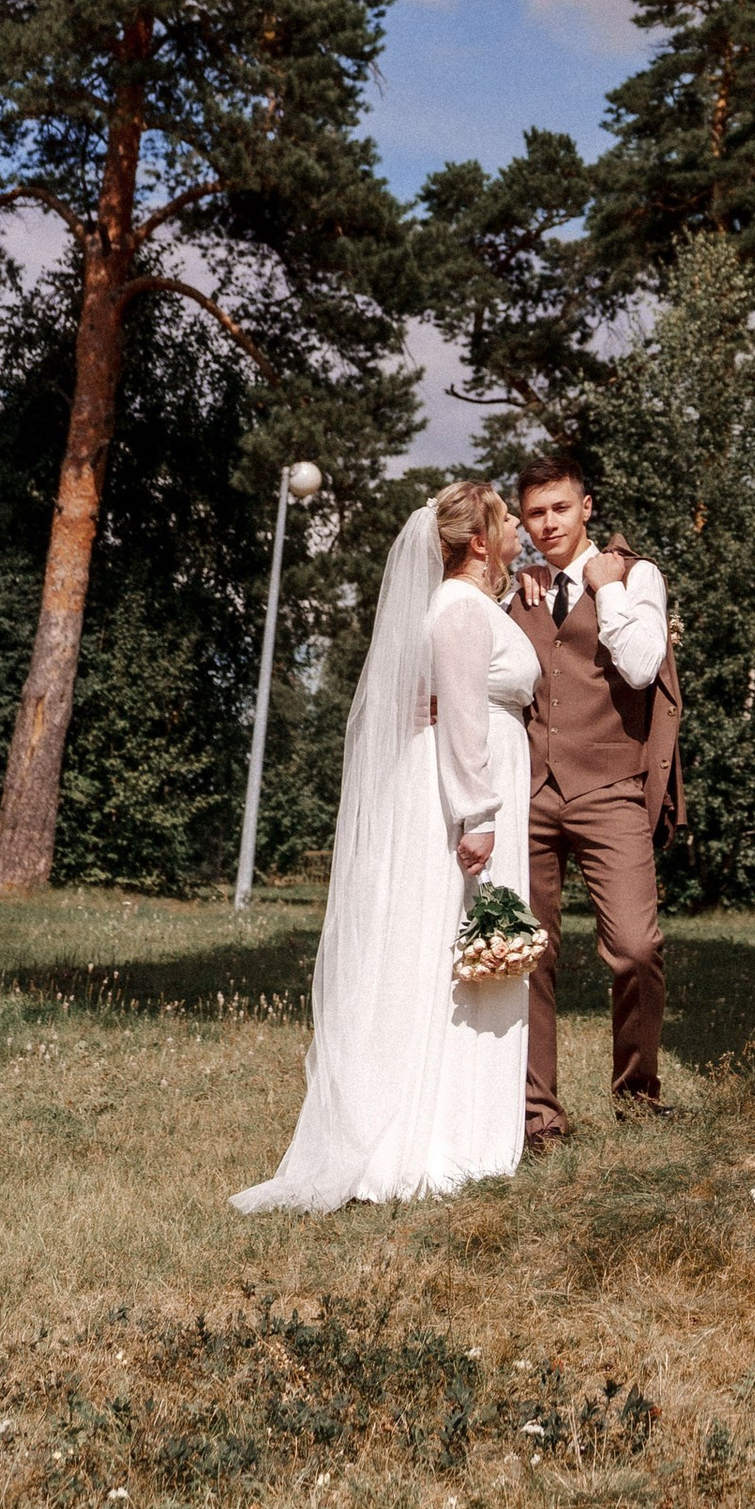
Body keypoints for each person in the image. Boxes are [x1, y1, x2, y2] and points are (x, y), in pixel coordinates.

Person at [233, 478, 540, 1212]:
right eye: (506, 520)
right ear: (477, 540)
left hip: (477, 783)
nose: (518, 530)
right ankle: (439, 1136)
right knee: (455, 951)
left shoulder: (472, 606)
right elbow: (463, 719)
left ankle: (458, 1121)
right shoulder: (460, 609)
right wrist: (478, 816)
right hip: (467, 794)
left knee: (462, 951)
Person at [513, 457, 683, 1141]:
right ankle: (537, 1118)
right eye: (534, 514)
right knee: (527, 954)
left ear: (587, 507)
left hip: (610, 788)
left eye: (559, 508)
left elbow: (642, 666)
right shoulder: (515, 588)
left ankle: (638, 1094)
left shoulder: (635, 575)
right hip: (525, 791)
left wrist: (604, 589)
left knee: (637, 947)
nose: (548, 523)